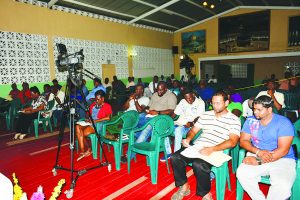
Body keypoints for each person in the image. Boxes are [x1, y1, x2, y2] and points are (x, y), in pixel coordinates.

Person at [170, 90, 241, 200]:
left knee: (199, 164)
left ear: (226, 103)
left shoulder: (234, 119)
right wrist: (188, 139)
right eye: (213, 103)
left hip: (218, 149)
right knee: (175, 157)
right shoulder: (206, 115)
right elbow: (193, 130)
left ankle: (205, 194)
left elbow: (233, 141)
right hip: (199, 146)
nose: (215, 105)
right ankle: (184, 186)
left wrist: (212, 149)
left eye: (218, 103)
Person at [236, 95, 296, 200]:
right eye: (254, 109)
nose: (255, 112)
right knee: (242, 173)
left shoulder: (283, 123)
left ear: (269, 109)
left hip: (282, 159)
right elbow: (243, 141)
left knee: (282, 185)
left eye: (259, 110)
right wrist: (258, 152)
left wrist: (259, 161)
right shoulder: (250, 121)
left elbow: (283, 150)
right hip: (257, 154)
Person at [121, 81, 177, 162]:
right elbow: (149, 106)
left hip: (161, 119)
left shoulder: (171, 96)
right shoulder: (155, 94)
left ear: (166, 89)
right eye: (158, 90)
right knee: (136, 119)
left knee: (146, 130)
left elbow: (172, 111)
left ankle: (129, 155)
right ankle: (134, 134)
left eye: (161, 90)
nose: (159, 92)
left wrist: (157, 112)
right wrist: (146, 110)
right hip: (149, 115)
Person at [162, 89, 205, 161]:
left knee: (178, 130)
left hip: (192, 126)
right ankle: (168, 153)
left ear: (193, 95)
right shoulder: (182, 102)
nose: (188, 100)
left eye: (190, 98)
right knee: (165, 129)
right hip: (180, 123)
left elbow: (199, 117)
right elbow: (175, 114)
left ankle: (176, 154)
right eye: (186, 98)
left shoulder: (200, 103)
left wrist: (191, 123)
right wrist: (168, 122)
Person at [75, 90, 112, 161]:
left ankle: (88, 149)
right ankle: (84, 150)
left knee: (81, 133)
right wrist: (88, 119)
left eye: (98, 99)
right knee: (77, 126)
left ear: (102, 99)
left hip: (98, 124)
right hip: (90, 122)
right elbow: (89, 115)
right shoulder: (93, 105)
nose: (96, 101)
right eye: (96, 99)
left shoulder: (107, 106)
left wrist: (95, 121)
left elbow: (108, 117)